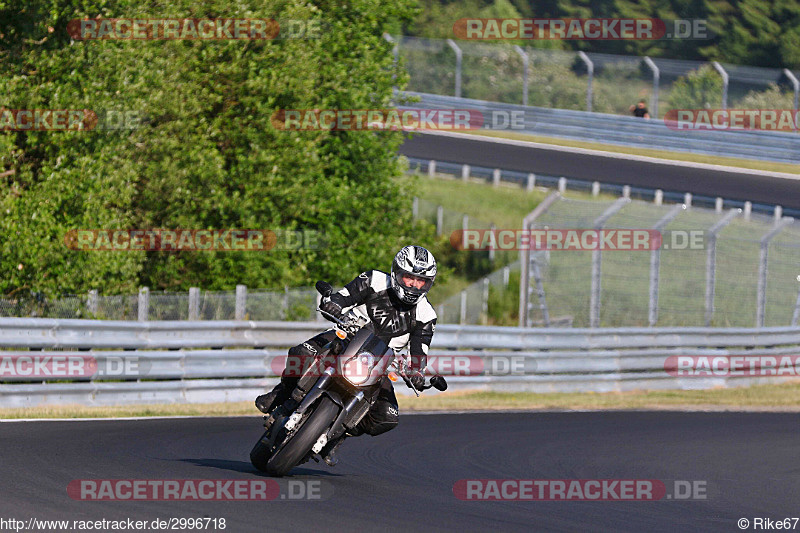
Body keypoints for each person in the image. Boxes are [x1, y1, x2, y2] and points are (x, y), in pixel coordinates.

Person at [255, 245, 438, 466]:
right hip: (346, 336)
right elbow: (345, 296)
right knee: (302, 353)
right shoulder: (374, 280)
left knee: (387, 416)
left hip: (380, 363)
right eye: (410, 278)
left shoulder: (426, 314)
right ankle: (281, 394)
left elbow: (420, 350)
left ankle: (337, 436)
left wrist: (416, 372)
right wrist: (333, 304)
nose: (414, 285)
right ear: (396, 272)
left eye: (421, 281)